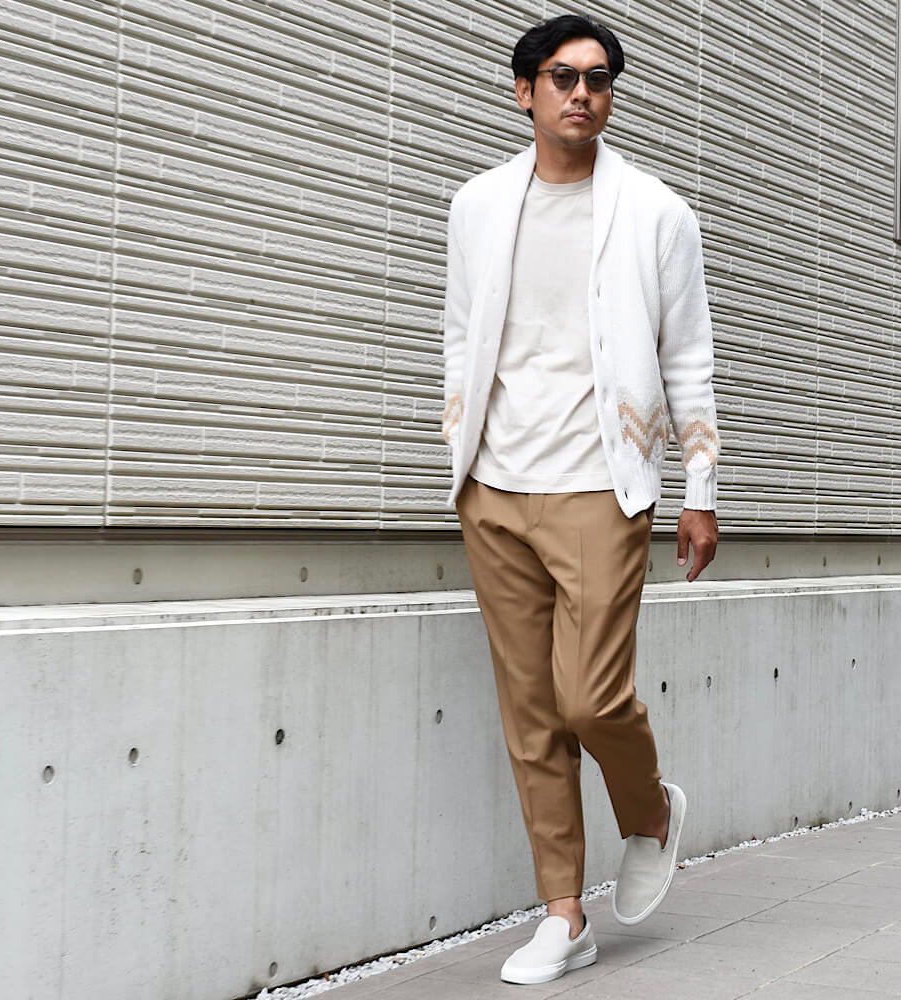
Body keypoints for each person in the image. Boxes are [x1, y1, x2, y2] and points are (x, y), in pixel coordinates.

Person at [441, 13, 721, 986]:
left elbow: (688, 356)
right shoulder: (477, 205)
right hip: (495, 489)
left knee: (590, 697)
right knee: (530, 714)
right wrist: (458, 449)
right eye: (562, 76)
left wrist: (700, 488)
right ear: (524, 91)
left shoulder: (656, 213)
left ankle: (649, 810)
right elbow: (461, 334)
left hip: (604, 486)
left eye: (598, 79)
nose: (581, 93)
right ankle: (563, 914)